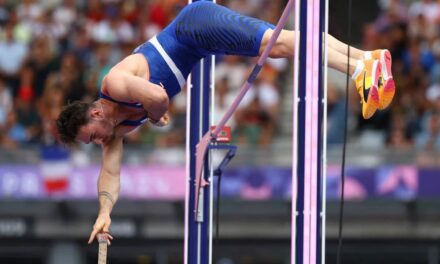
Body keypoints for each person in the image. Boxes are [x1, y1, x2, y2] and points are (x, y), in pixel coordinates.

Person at [55, 1, 395, 244]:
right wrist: (104, 211)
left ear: (96, 114)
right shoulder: (116, 130)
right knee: (281, 45)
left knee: (277, 45)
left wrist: (158, 117)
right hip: (199, 44)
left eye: (92, 136)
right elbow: (110, 174)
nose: (98, 142)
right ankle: (367, 60)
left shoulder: (115, 84)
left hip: (194, 24)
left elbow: (158, 99)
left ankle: (361, 67)